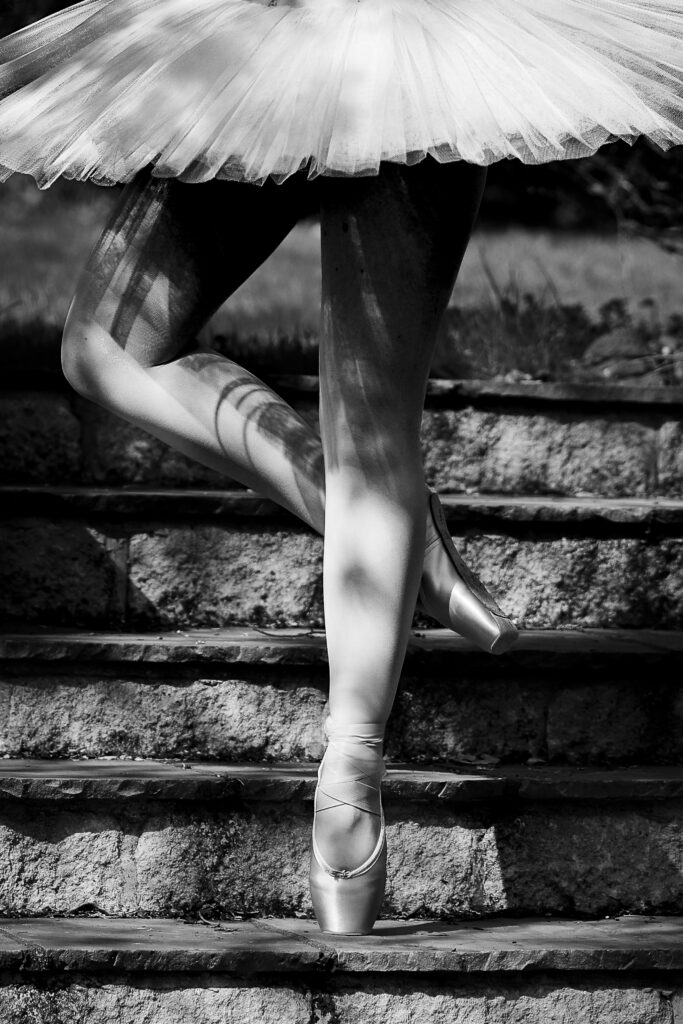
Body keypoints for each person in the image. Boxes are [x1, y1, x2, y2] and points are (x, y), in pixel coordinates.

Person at [1, 0, 683, 936]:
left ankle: (350, 777)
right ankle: (402, 546)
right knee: (106, 349)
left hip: (405, 45)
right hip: (269, 42)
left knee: (367, 424)